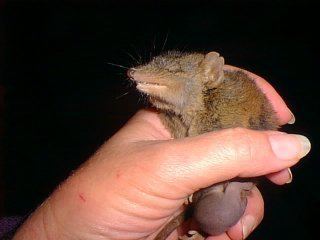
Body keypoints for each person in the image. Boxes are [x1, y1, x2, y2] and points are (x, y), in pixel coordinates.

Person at [5, 69, 310, 240]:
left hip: (232, 155)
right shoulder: (172, 118)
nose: (135, 77)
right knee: (215, 210)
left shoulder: (220, 94)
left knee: (220, 210)